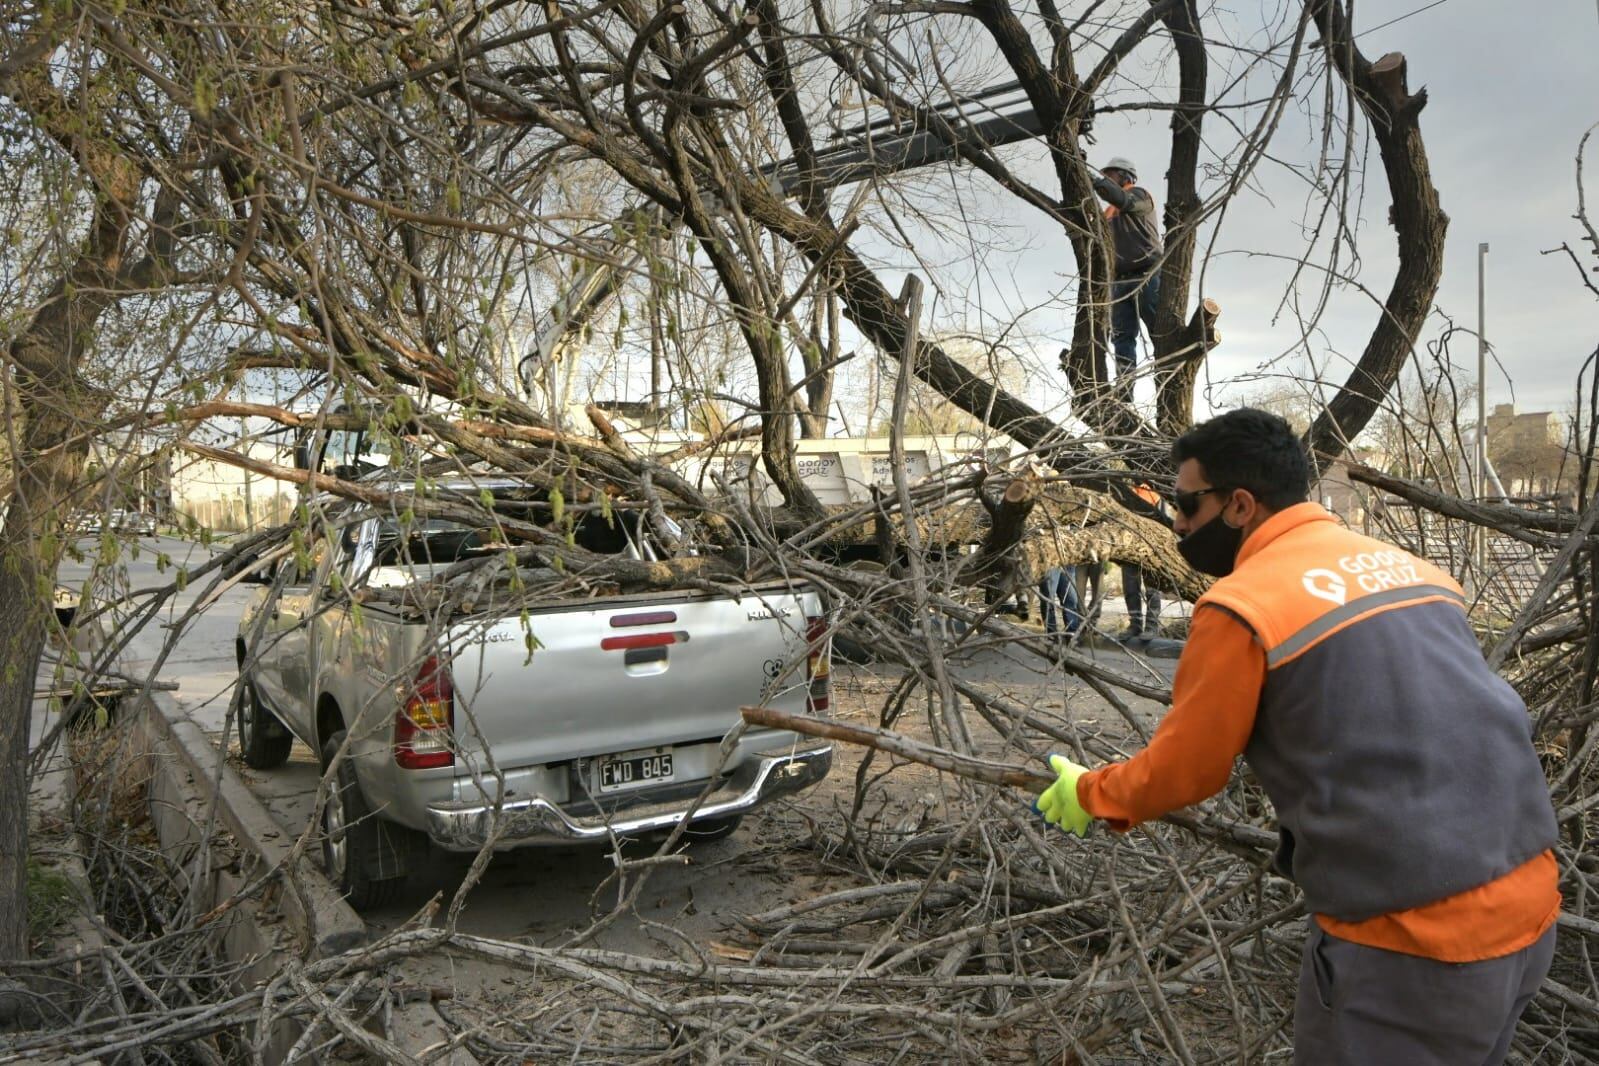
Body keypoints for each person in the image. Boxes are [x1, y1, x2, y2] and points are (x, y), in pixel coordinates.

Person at [1035, 408, 1559, 1064]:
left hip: (1411, 948)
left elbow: (1186, 770)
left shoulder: (1243, 606)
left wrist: (1090, 792)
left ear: (1239, 505)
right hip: (1529, 905)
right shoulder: (1418, 573)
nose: (1173, 522)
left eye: (1183, 503)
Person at [1091, 157, 1162, 396]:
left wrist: (1095, 181)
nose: (1107, 180)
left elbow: (1123, 201)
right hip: (1119, 280)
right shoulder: (1107, 211)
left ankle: (1167, 384)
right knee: (1122, 339)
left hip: (1147, 274)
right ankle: (1124, 394)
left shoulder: (1140, 196)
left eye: (1111, 175)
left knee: (1160, 333)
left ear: (1125, 176)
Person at [1118, 482, 1167, 644]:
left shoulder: (1154, 493)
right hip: (1129, 545)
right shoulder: (1126, 491)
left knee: (1152, 588)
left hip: (1150, 547)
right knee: (1130, 587)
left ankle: (1151, 626)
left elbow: (1163, 522)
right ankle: (1135, 624)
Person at [1037, 565, 1081, 640]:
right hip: (1050, 562)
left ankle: (1072, 635)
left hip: (1068, 561)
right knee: (1048, 599)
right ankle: (1052, 635)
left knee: (1071, 600)